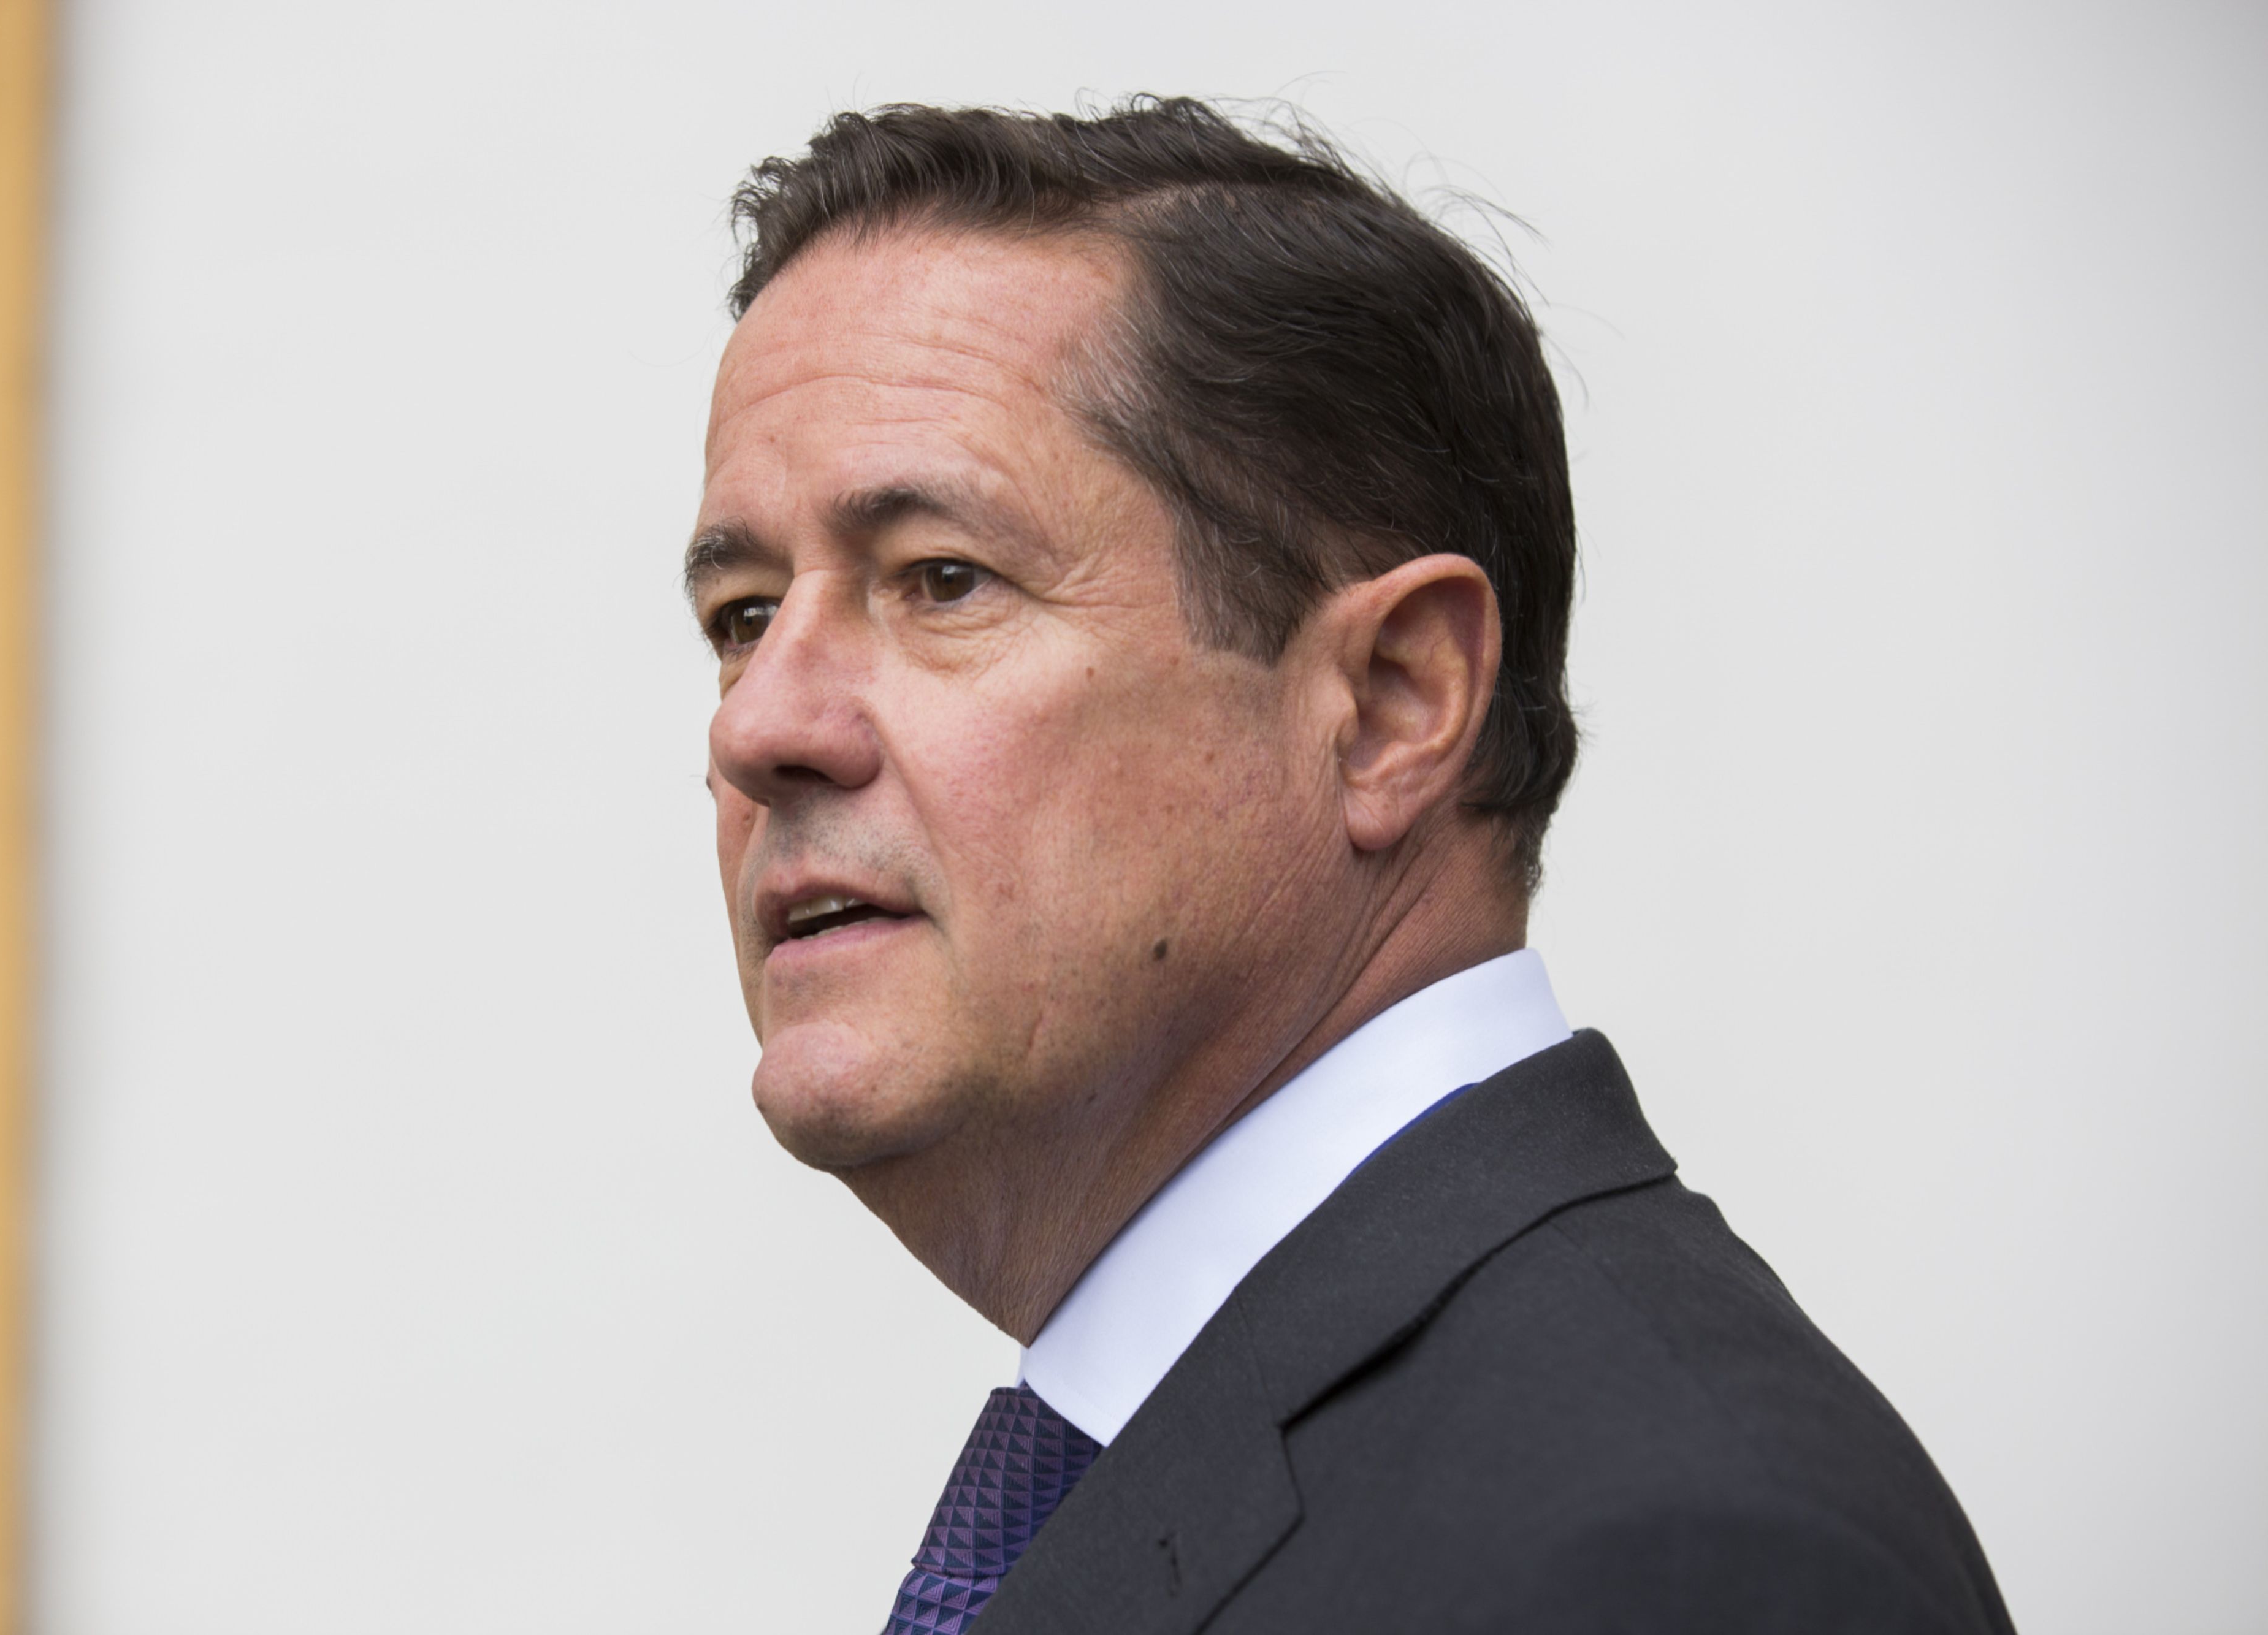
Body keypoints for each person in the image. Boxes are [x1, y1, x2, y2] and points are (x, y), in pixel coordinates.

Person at [685, 97, 2014, 1634]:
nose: (758, 726)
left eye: (941, 579)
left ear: (1390, 703)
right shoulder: (1258, 1447)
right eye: (741, 614)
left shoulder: (1668, 1558)